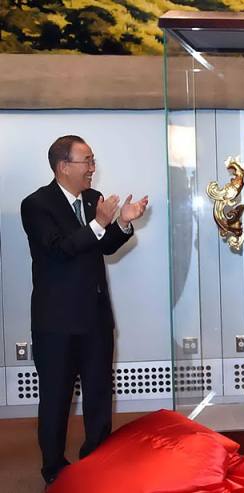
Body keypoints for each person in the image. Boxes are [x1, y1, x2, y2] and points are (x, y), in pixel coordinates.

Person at [20, 135, 149, 485]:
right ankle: (53, 469)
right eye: (87, 160)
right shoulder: (36, 205)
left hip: (95, 317)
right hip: (56, 322)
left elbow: (104, 247)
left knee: (99, 394)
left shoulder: (93, 200)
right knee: (56, 399)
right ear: (63, 166)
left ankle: (97, 458)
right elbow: (60, 249)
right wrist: (99, 224)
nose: (93, 168)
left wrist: (122, 223)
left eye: (93, 160)